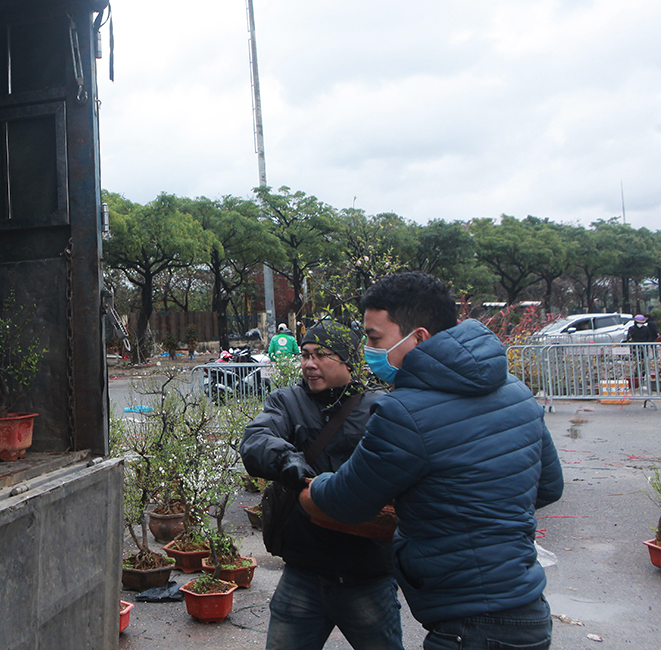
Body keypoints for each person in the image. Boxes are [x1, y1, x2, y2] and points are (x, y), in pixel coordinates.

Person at [302, 272, 563, 650]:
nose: (368, 352)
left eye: (375, 339)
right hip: (530, 612)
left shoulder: (404, 412)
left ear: (419, 337)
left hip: (468, 626)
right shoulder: (517, 392)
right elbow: (549, 486)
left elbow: (348, 501)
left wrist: (312, 489)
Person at [239, 321, 402, 650]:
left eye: (321, 355)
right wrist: (287, 459)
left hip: (368, 573)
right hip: (304, 572)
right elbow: (256, 439)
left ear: (348, 361)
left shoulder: (380, 408)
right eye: (305, 355)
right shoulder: (287, 402)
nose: (309, 364)